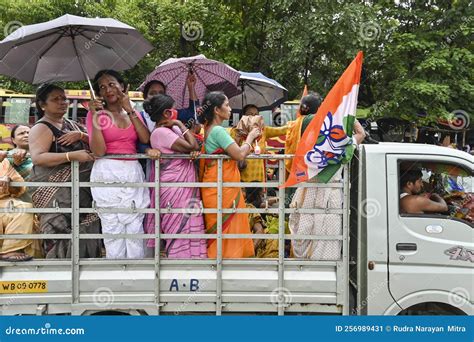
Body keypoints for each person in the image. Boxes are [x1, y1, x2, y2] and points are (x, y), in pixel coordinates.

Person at [288, 93, 366, 260]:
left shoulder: (306, 125)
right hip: (330, 192)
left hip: (308, 189)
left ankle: (305, 269)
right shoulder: (340, 146)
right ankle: (321, 270)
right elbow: (361, 134)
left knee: (304, 229)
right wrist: (349, 113)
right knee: (327, 236)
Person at [28, 83, 101, 259]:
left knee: (85, 229)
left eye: (64, 98)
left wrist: (82, 135)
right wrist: (71, 156)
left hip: (81, 192)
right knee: (59, 233)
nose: (62, 102)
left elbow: (97, 145)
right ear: (42, 104)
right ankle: (60, 277)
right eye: (55, 99)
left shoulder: (70, 124)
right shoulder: (41, 127)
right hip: (54, 196)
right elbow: (38, 157)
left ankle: (85, 277)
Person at [87, 70, 151, 259]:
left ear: (123, 86)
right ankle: (115, 276)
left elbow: (145, 138)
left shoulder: (133, 113)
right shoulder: (96, 115)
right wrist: (96, 118)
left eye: (112, 84)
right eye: (102, 87)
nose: (108, 89)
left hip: (132, 172)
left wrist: (129, 109)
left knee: (134, 225)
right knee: (112, 227)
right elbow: (98, 152)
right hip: (107, 172)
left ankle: (135, 277)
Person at [143, 94, 207, 259]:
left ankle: (194, 265)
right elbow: (191, 145)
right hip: (174, 189)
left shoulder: (173, 129)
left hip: (184, 187)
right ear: (166, 113)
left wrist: (192, 148)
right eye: (173, 108)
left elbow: (195, 146)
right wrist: (179, 123)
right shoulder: (160, 133)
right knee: (178, 229)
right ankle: (179, 266)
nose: (176, 111)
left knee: (191, 226)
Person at [199, 91, 261, 258]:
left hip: (218, 187)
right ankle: (229, 264)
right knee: (226, 229)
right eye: (226, 105)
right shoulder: (218, 130)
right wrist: (251, 137)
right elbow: (240, 155)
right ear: (217, 110)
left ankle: (223, 265)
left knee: (223, 231)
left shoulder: (210, 129)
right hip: (222, 189)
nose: (230, 108)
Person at [236, 104, 288, 183]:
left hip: (259, 177)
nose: (254, 117)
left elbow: (282, 130)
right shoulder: (236, 132)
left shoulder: (263, 130)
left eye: (256, 115)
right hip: (241, 177)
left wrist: (299, 122)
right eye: (250, 114)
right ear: (243, 117)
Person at [0, 153, 34, 261]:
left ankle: (10, 250)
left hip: (4, 203)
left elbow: (20, 188)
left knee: (25, 208)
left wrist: (9, 181)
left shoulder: (4, 162)